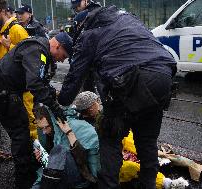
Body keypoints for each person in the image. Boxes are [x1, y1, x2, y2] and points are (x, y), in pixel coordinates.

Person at [58, 2, 177, 189]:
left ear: (80, 26)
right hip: (164, 74)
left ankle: (109, 185)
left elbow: (75, 76)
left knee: (109, 136)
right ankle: (149, 185)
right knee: (147, 142)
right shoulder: (127, 20)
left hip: (131, 81)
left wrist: (60, 101)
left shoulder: (89, 33)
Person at [0, 32, 72, 189]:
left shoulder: (39, 49)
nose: (62, 60)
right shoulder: (37, 51)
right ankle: (23, 180)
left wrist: (50, 92)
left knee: (23, 131)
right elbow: (34, 83)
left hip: (8, 91)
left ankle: (27, 168)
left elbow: (39, 79)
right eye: (63, 55)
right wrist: (54, 107)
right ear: (58, 46)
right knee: (20, 135)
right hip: (3, 94)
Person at [0, 0, 40, 141]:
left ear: (3, 11)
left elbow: (32, 55)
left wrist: (11, 46)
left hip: (22, 86)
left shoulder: (17, 29)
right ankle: (24, 149)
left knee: (30, 120)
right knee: (15, 124)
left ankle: (37, 150)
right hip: (6, 86)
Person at [32, 104, 100, 189]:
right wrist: (42, 156)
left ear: (53, 122)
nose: (44, 132)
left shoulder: (78, 127)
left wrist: (69, 133)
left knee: (59, 150)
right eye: (41, 128)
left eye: (46, 127)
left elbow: (87, 162)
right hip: (57, 172)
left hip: (80, 175)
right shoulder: (50, 132)